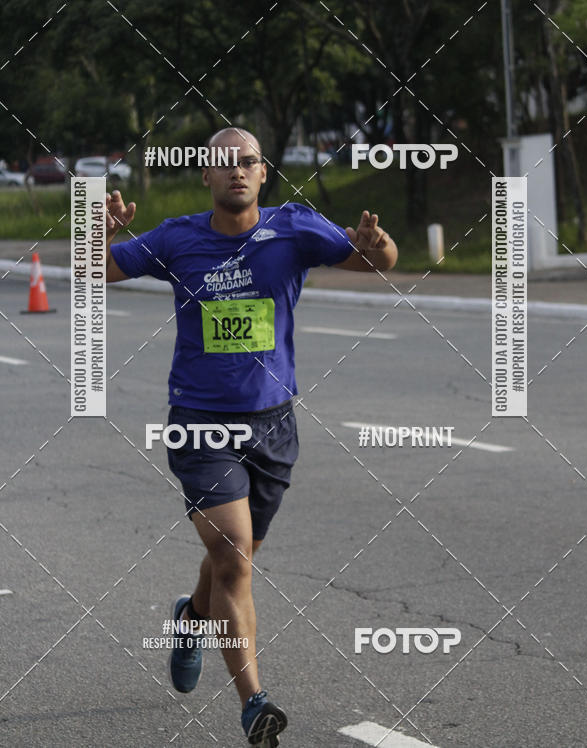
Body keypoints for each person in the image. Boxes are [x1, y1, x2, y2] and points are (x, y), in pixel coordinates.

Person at [105, 128, 398, 747]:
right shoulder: (178, 238)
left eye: (249, 162)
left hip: (274, 425)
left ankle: (190, 620)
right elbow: (97, 271)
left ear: (264, 173)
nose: (237, 171)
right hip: (200, 424)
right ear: (206, 177)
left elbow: (374, 261)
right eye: (223, 163)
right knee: (234, 552)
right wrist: (96, 233)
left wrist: (379, 244)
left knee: (230, 563)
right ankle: (254, 704)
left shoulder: (294, 229)